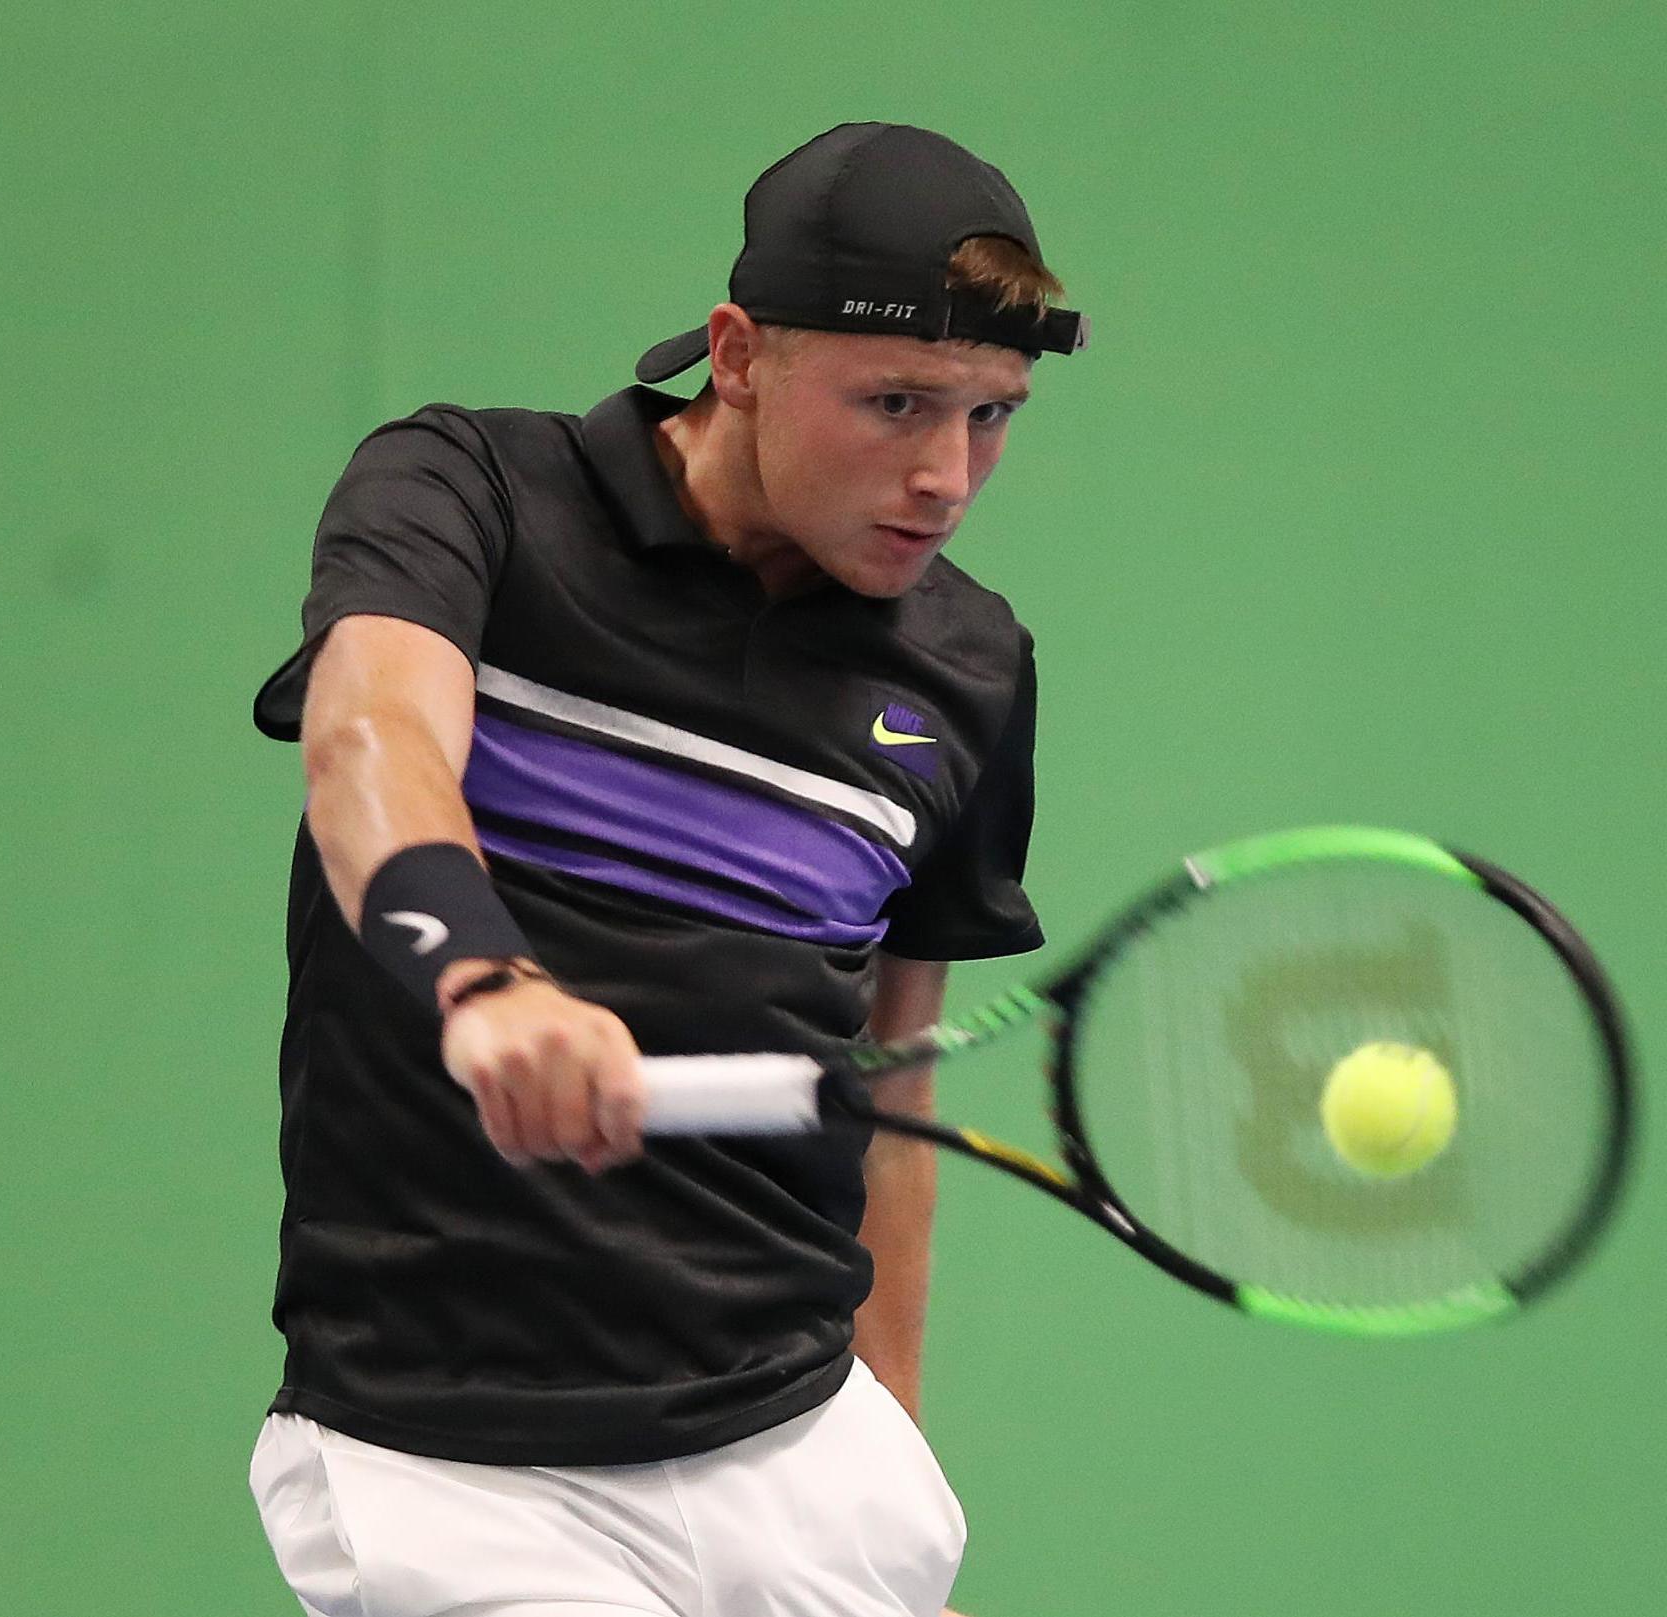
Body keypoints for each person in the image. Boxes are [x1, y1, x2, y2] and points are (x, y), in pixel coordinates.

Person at [244, 120, 1087, 1617]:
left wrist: (885, 1433)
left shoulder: (970, 665)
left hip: (800, 1437)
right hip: (457, 1463)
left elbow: (893, 1069)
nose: (945, 474)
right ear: (739, 353)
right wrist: (480, 974)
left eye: (991, 415)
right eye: (894, 402)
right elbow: (371, 739)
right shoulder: (476, 496)